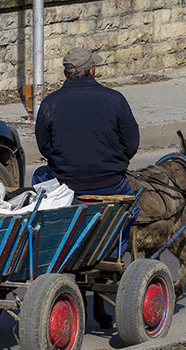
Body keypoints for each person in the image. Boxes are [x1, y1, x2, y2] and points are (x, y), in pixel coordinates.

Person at [34, 47, 140, 255]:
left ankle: (53, 241)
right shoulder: (115, 99)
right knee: (132, 208)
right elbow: (131, 144)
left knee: (39, 176)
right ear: (92, 71)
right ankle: (113, 252)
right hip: (111, 182)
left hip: (67, 184)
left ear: (66, 73)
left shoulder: (49, 103)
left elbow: (45, 147)